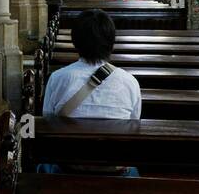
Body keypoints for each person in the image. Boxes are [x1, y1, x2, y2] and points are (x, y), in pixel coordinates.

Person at [41, 9, 141, 176]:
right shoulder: (130, 82)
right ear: (111, 42)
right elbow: (133, 124)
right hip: (115, 168)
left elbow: (48, 122)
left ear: (76, 41)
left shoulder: (58, 78)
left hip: (68, 166)